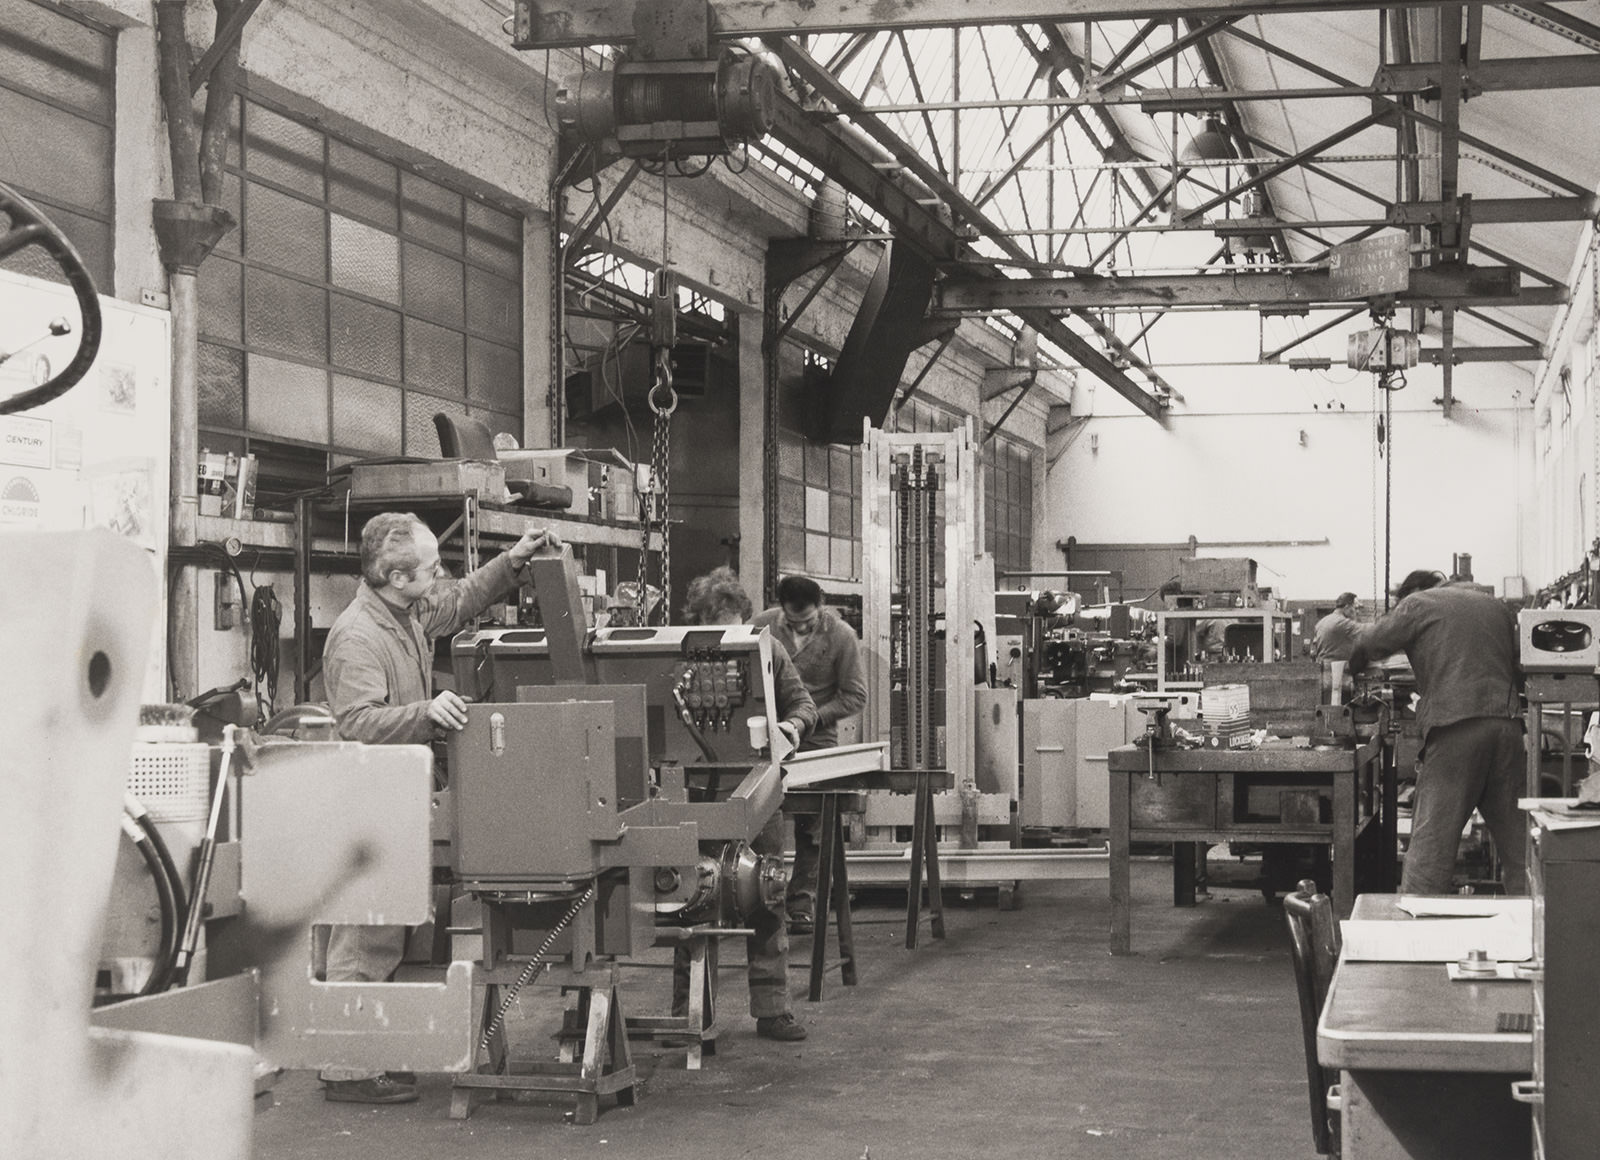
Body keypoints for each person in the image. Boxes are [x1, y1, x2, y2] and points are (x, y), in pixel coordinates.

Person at [318, 512, 561, 1103]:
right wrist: (425, 712)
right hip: (368, 791)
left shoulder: (406, 612)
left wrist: (515, 561)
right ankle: (347, 1070)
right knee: (365, 931)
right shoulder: (357, 636)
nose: (440, 574)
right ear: (396, 575)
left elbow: (458, 601)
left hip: (403, 787)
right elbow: (356, 722)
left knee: (395, 931)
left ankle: (373, 1053)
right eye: (430, 566)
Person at [675, 566, 817, 1042]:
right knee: (692, 900)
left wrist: (792, 729)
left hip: (758, 795)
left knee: (767, 897)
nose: (734, 640)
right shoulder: (677, 655)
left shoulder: (768, 650)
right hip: (696, 795)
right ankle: (692, 1012)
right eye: (721, 632)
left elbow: (804, 706)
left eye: (740, 629)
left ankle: (772, 1008)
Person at [1347, 568, 1526, 896]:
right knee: (1520, 849)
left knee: (1432, 846)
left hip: (1455, 729)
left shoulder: (1417, 604)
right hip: (1507, 726)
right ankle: (1541, 930)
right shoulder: (1495, 605)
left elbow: (1369, 641)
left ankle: (1416, 933)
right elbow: (1520, 666)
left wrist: (1351, 671)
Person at [750, 574, 867, 934]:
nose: (800, 628)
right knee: (757, 818)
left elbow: (855, 695)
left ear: (822, 606)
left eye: (808, 623)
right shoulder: (760, 627)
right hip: (764, 740)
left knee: (814, 829)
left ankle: (802, 905)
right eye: (792, 623)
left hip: (815, 742)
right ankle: (758, 899)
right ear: (779, 608)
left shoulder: (842, 636)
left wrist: (808, 720)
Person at [1311, 592, 1361, 661]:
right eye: (1356, 608)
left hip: (1322, 667)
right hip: (1338, 669)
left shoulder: (1320, 623)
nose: (1358, 612)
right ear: (1347, 608)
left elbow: (1313, 652)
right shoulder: (1343, 623)